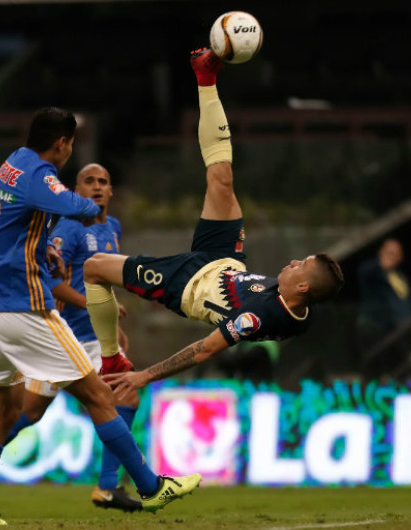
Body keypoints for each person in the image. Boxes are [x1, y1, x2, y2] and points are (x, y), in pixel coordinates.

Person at [0, 107, 200, 525]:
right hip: (25, 309)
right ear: (63, 143)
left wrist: (45, 244)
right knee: (101, 397)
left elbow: (20, 221)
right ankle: (150, 488)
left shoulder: (13, 162)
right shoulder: (40, 173)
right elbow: (76, 206)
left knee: (10, 411)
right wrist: (83, 207)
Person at [83, 48, 344, 396]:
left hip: (187, 284)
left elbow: (204, 350)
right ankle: (206, 77)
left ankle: (111, 358)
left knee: (94, 268)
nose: (294, 262)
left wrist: (144, 376)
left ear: (302, 288)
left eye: (302, 265)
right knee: (222, 178)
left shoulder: (259, 316)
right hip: (225, 261)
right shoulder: (300, 308)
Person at [0, 162, 143, 513]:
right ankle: (111, 486)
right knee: (121, 395)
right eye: (89, 181)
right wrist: (88, 305)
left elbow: (102, 285)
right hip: (61, 332)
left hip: (89, 336)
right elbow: (52, 281)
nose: (97, 187)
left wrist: (110, 328)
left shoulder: (113, 228)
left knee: (37, 410)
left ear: (112, 191)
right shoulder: (68, 229)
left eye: (104, 181)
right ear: (76, 190)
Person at [356, 239, 411, 377]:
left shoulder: (401, 278)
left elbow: (407, 300)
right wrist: (380, 265)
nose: (392, 256)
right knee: (373, 367)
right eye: (389, 253)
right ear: (381, 253)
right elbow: (363, 272)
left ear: (400, 257)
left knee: (399, 367)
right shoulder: (373, 271)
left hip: (394, 330)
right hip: (372, 325)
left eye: (395, 253)